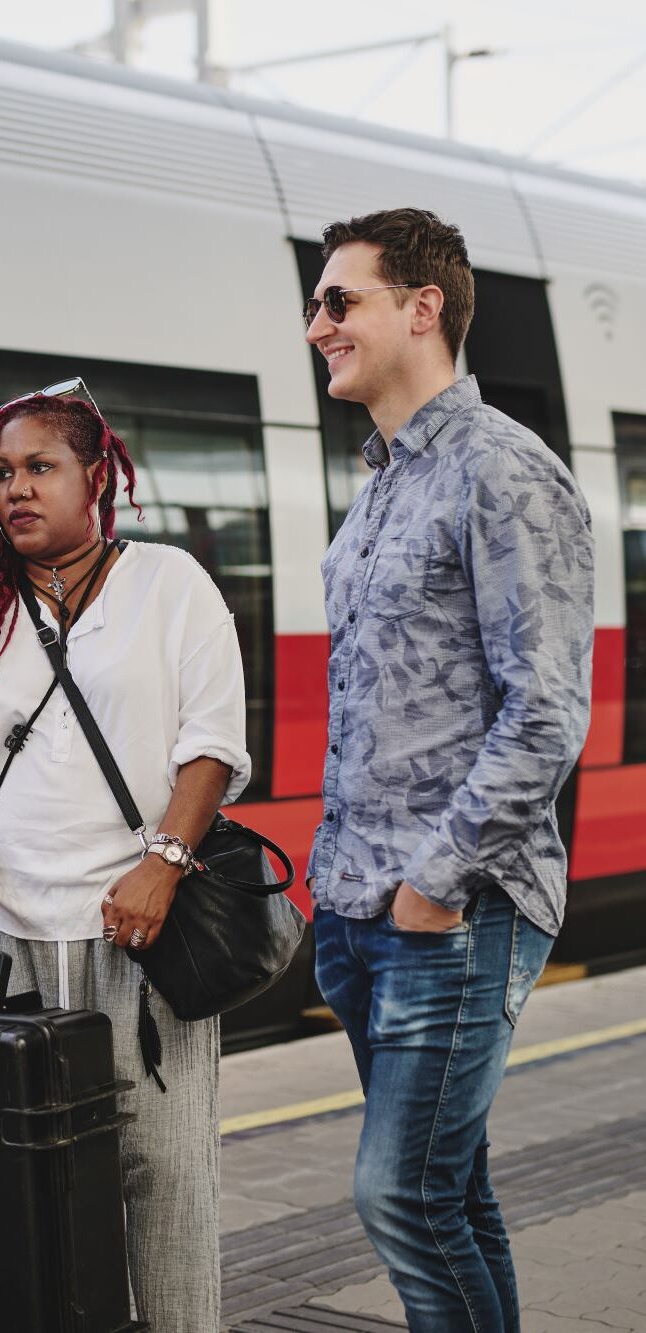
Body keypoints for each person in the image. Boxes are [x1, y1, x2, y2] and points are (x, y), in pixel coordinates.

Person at [0, 382, 249, 1333]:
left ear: (97, 477)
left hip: (141, 931)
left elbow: (211, 741)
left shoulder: (169, 584)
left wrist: (164, 860)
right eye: (0, 473)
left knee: (163, 1168)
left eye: (38, 467)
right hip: (5, 941)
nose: (15, 489)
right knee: (21, 1178)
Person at [302, 208, 595, 1332]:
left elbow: (546, 708)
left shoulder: (502, 472)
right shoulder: (377, 479)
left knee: (400, 1198)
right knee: (449, 1192)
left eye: (341, 301)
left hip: (454, 909)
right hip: (359, 904)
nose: (316, 322)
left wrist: (435, 880)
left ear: (422, 310)